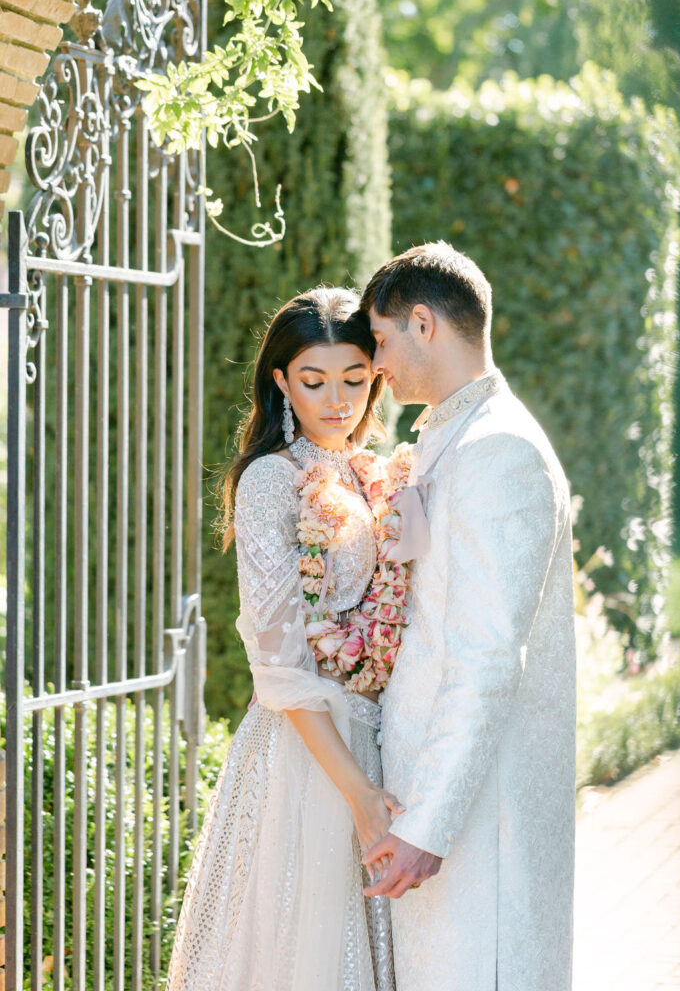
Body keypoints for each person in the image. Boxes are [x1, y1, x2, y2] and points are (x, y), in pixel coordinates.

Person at [164, 286, 402, 991]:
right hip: (309, 753)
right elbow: (276, 660)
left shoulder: (368, 473)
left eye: (354, 380)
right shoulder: (272, 479)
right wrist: (357, 793)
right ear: (279, 381)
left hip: (377, 732)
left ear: (376, 377)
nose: (337, 400)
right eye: (313, 381)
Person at [360, 242, 577, 991]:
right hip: (434, 796)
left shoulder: (499, 451)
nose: (375, 363)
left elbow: (487, 656)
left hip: (475, 825)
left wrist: (426, 826)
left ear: (423, 323)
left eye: (380, 338)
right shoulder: (449, 438)